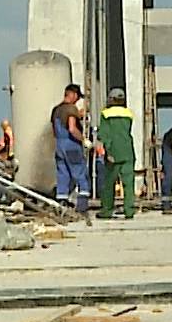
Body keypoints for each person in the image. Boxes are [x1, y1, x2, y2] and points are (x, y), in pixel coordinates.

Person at [94, 87, 137, 220]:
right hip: (128, 151)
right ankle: (129, 210)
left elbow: (104, 134)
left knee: (109, 183)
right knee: (128, 184)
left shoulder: (106, 114)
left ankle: (107, 210)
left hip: (114, 151)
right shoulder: (128, 113)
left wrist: (107, 151)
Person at [51, 83, 90, 211]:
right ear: (72, 95)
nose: (78, 100)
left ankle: (62, 204)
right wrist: (84, 140)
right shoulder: (71, 109)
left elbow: (55, 130)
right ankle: (82, 206)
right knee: (80, 174)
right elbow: (72, 128)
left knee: (63, 175)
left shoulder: (56, 110)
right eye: (77, 97)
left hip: (59, 146)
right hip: (71, 146)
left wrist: (79, 115)